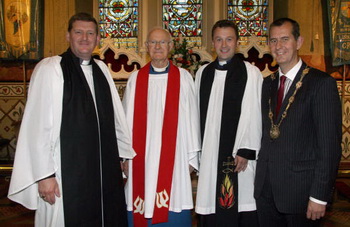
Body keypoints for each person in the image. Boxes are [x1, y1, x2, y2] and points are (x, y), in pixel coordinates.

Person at [8, 12, 135, 227]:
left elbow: (115, 119)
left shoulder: (102, 70)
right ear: (68, 36)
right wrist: (44, 175)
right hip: (63, 174)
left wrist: (124, 155)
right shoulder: (51, 69)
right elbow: (38, 127)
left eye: (90, 33)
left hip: (103, 173)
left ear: (97, 39)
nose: (84, 38)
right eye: (78, 32)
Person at [254, 17, 342, 227]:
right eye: (273, 41)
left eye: (285, 39)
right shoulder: (267, 83)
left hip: (300, 193)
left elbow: (329, 146)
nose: (278, 46)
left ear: (299, 42)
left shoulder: (321, 84)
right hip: (266, 191)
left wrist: (319, 196)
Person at [122, 27, 200, 227]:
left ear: (171, 47)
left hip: (175, 156)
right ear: (146, 47)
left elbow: (192, 118)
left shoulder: (183, 78)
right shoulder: (135, 79)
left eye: (162, 42)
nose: (157, 47)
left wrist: (191, 156)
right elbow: (125, 122)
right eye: (153, 43)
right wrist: (125, 156)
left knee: (174, 196)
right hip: (141, 156)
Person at [195, 19, 263, 227]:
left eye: (229, 39)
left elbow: (255, 112)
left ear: (237, 42)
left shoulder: (250, 73)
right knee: (211, 201)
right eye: (219, 39)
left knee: (240, 201)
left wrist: (245, 150)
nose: (224, 45)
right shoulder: (202, 73)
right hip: (209, 153)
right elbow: (197, 115)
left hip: (238, 155)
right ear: (212, 43)